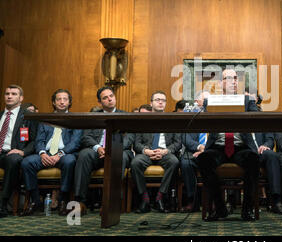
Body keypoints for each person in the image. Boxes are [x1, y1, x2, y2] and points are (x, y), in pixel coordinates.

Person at [197, 68, 260, 221]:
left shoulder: (247, 101)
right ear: (220, 83)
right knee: (204, 159)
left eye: (235, 78)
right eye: (228, 78)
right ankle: (219, 208)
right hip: (218, 147)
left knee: (253, 159)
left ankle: (247, 210)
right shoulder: (211, 101)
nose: (233, 81)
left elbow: (258, 118)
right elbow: (202, 121)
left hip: (240, 147)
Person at [73, 86, 134, 215]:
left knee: (121, 156)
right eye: (105, 98)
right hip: (97, 152)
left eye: (111, 96)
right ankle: (80, 202)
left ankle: (111, 202)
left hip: (118, 151)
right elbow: (86, 137)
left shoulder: (125, 115)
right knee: (84, 154)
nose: (109, 99)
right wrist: (98, 147)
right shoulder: (94, 116)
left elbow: (129, 138)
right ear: (100, 103)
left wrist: (112, 148)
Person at [20, 89, 82, 216]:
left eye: (65, 99)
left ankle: (62, 200)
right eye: (59, 99)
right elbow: (39, 140)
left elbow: (75, 143)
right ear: (54, 102)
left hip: (65, 154)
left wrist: (59, 154)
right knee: (27, 162)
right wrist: (42, 153)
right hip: (46, 153)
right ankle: (36, 201)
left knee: (70, 161)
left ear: (69, 102)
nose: (62, 102)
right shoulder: (45, 119)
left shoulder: (75, 119)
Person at [131, 91, 182, 213]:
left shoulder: (172, 120)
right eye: (157, 100)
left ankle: (160, 197)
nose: (160, 102)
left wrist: (165, 151)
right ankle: (145, 199)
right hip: (147, 153)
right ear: (151, 103)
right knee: (135, 163)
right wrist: (146, 151)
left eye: (163, 100)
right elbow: (136, 143)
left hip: (165, 153)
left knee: (174, 161)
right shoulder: (142, 120)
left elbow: (177, 143)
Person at [0, 85, 37, 218]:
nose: (9, 96)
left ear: (21, 98)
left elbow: (34, 141)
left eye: (14, 94)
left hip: (13, 154)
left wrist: (23, 152)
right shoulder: (0, 115)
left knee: (14, 159)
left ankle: (2, 204)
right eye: (7, 93)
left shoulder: (27, 116)